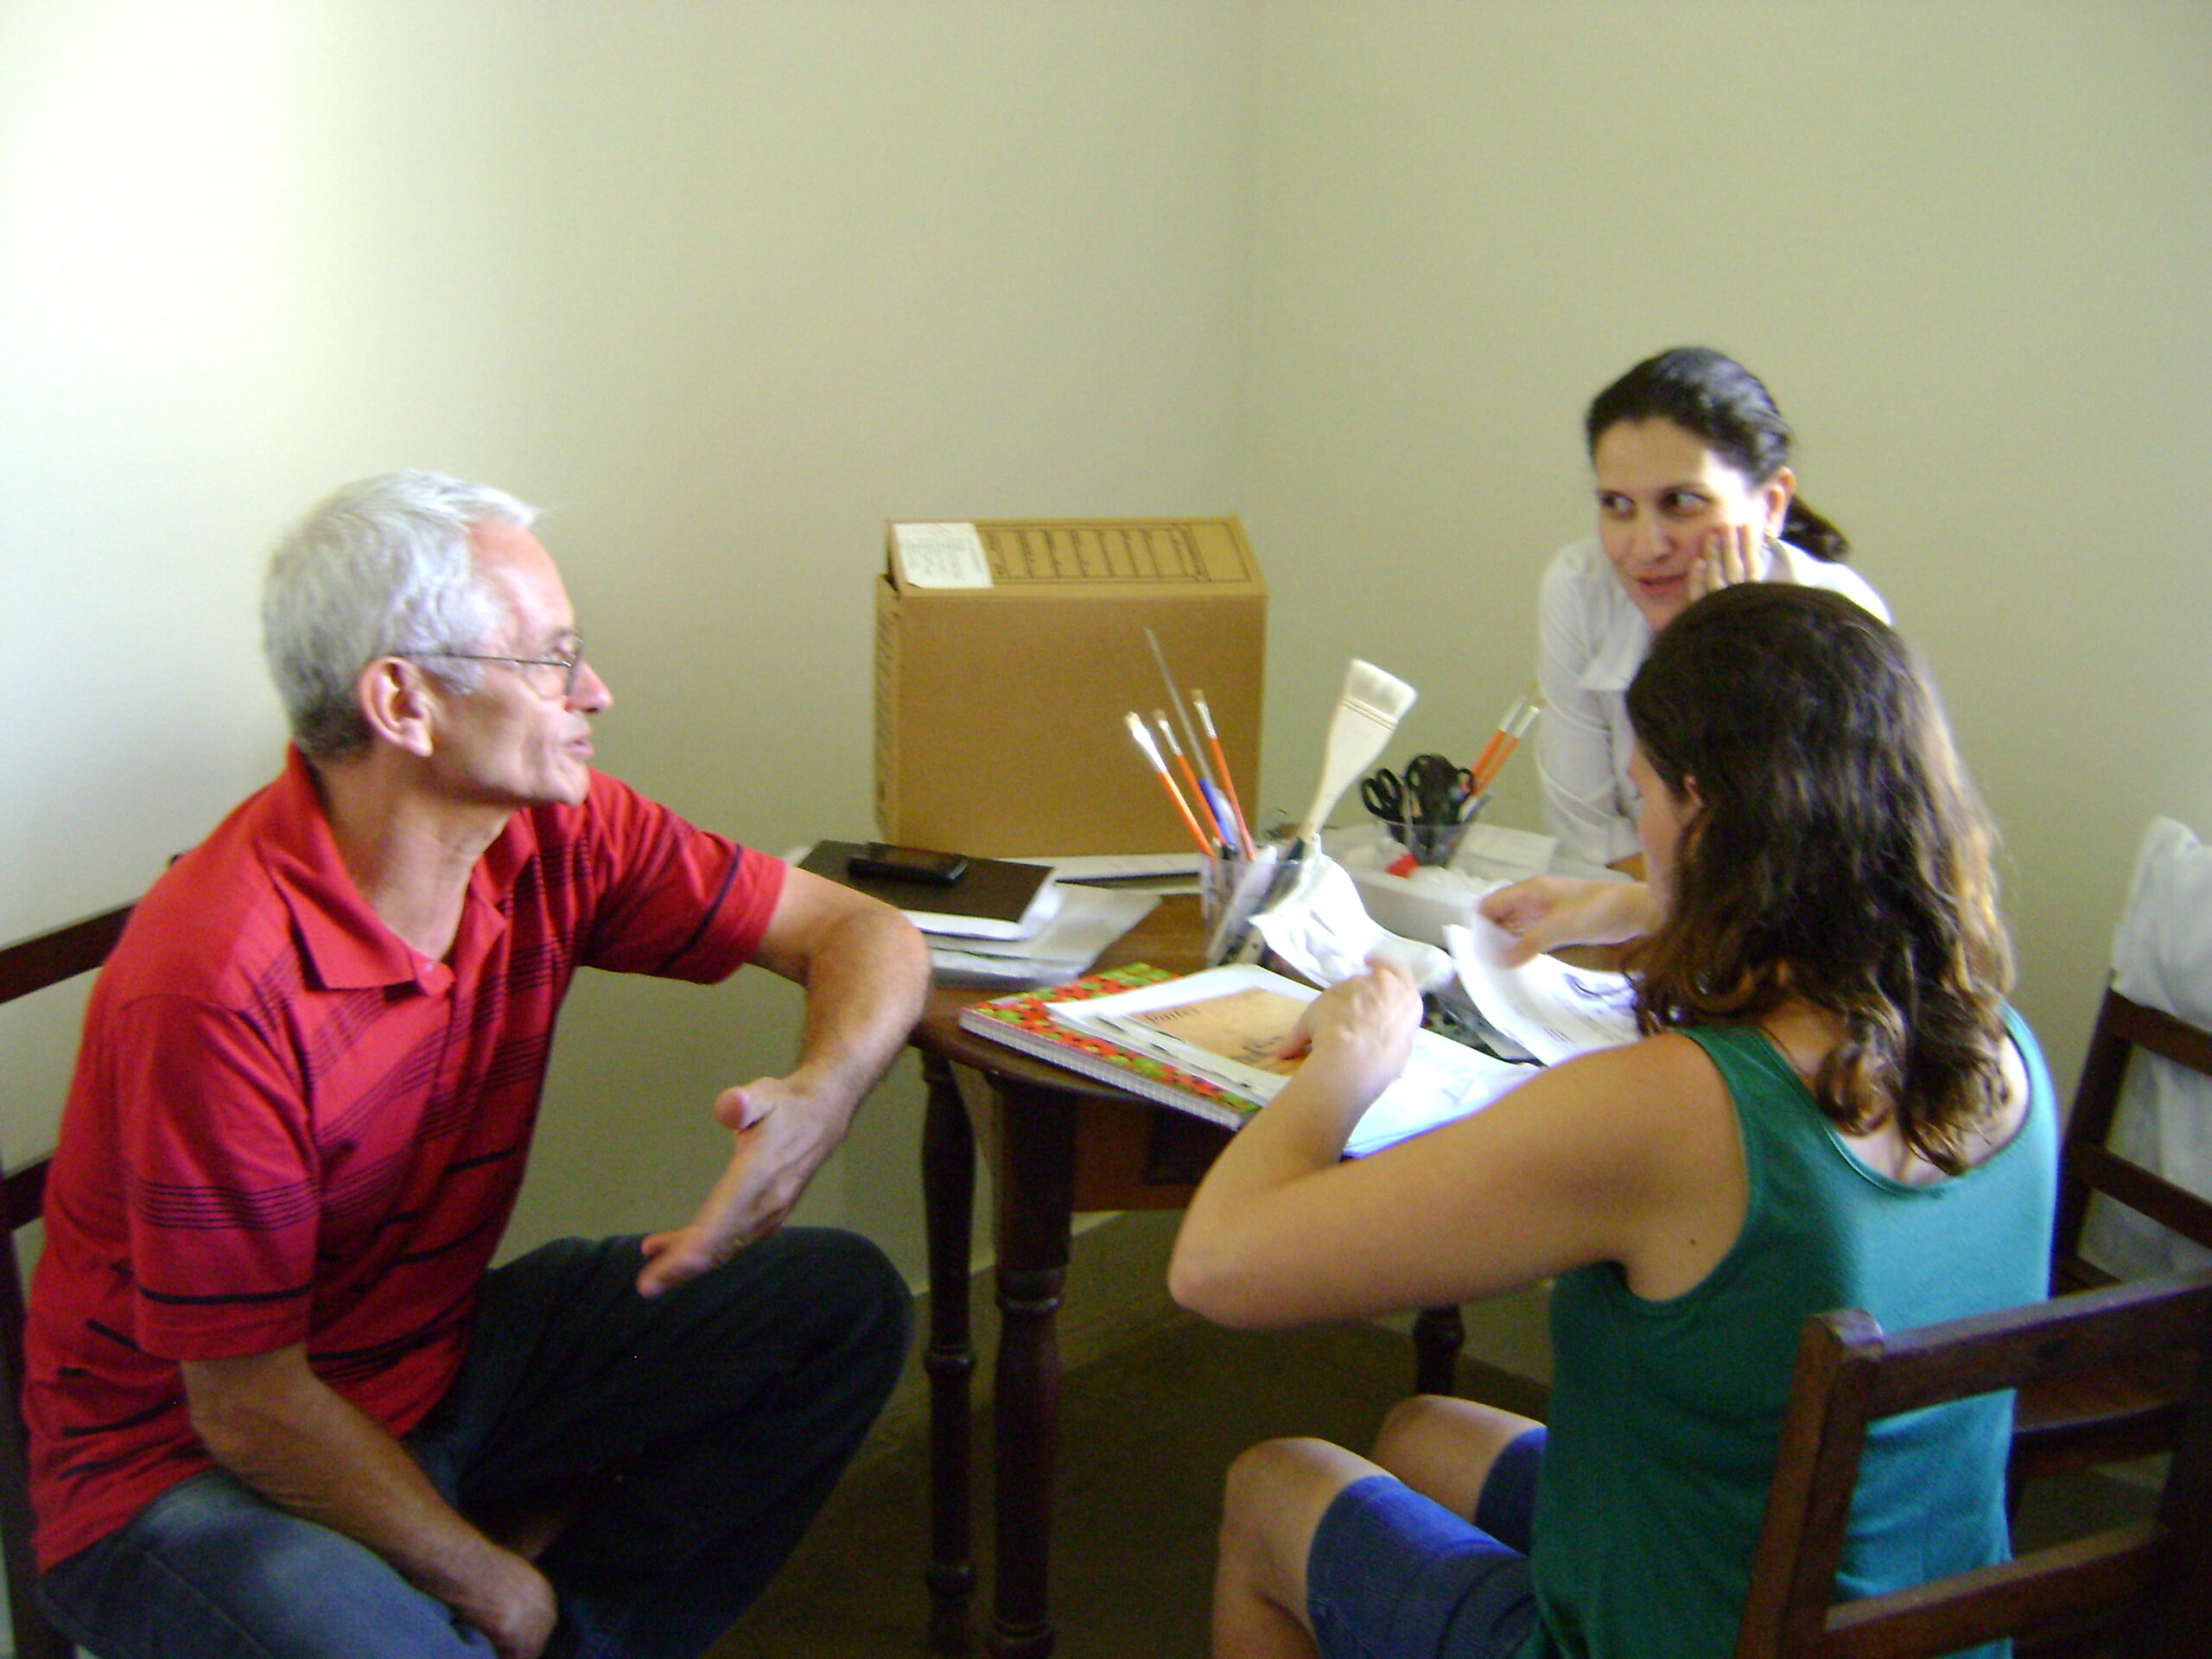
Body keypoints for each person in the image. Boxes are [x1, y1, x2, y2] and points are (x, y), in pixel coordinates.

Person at [23, 472, 932, 1659]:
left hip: (427, 1365)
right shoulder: (215, 978)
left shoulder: (557, 826)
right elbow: (246, 1406)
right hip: (179, 1472)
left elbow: (863, 930)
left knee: (835, 1308)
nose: (593, 691)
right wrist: (496, 1582)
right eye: (550, 661)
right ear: (404, 702)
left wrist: (820, 1099)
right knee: (457, 1618)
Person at [1169, 583, 2053, 1659]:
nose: (1637, 831)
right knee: (1422, 1432)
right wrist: (1642, 906)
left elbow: (1216, 1268)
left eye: (1642, 796)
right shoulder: (1998, 1048)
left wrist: (1347, 1065)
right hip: (1911, 1621)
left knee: (1275, 1486)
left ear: (1704, 813)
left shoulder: (1676, 1108)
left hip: (1702, 1632)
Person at [1536, 346, 1890, 870]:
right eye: (1617, 505)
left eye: (1681, 503)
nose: (1647, 546)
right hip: (1629, 926)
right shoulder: (1582, 584)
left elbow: (1797, 871)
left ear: (1771, 502)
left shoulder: (1841, 620)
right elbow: (1588, 840)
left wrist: (1719, 644)